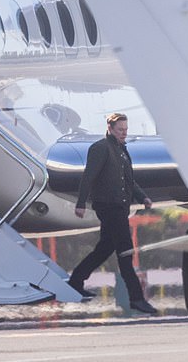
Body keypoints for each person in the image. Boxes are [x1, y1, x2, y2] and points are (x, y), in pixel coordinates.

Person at [69, 112, 157, 314]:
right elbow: (88, 178)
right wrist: (80, 203)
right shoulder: (100, 148)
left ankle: (76, 280)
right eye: (120, 130)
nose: (124, 133)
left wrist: (143, 197)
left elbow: (128, 180)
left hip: (120, 206)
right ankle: (136, 298)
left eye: (126, 130)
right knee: (125, 252)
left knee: (105, 248)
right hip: (108, 207)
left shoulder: (121, 150)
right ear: (110, 128)